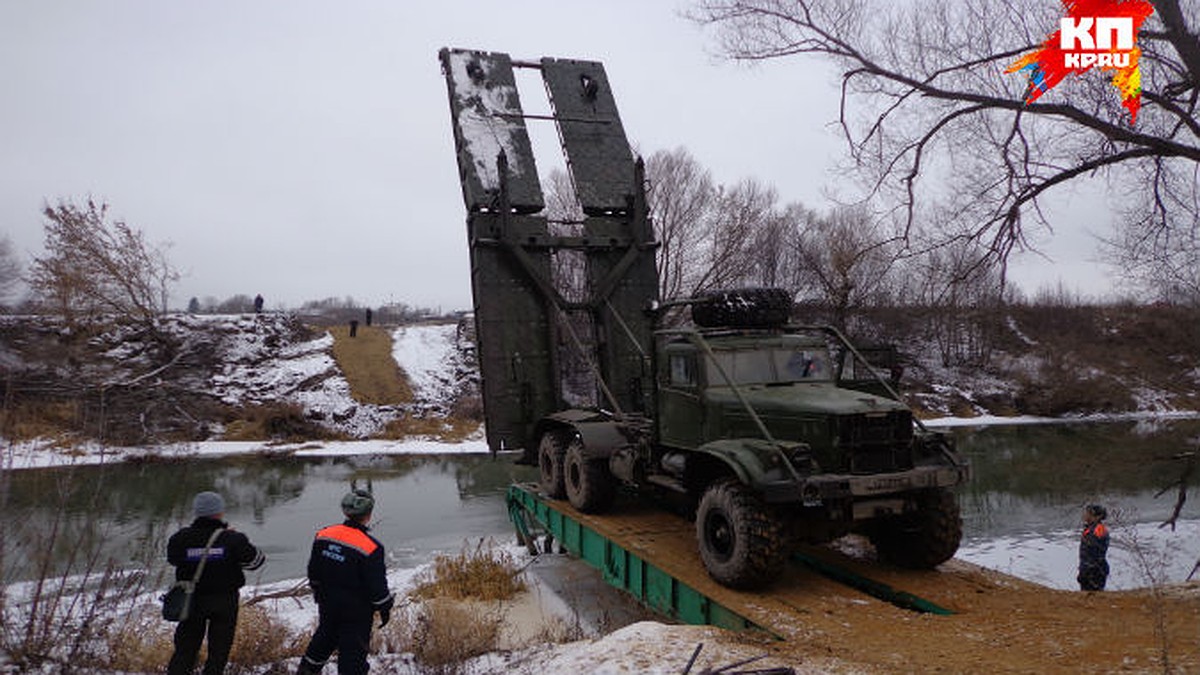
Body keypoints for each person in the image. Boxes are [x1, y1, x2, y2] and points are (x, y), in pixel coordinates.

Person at [166, 491, 266, 675]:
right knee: (219, 652)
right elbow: (256, 561)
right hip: (224, 601)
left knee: (185, 649)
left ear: (196, 512)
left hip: (191, 600)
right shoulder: (232, 539)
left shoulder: (180, 538)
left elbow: (173, 559)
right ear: (220, 513)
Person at [297, 489, 394, 674]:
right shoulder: (371, 547)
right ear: (368, 515)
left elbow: (313, 571)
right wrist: (385, 606)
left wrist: (318, 592)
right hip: (356, 612)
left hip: (328, 603)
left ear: (345, 512)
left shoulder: (324, 534)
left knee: (322, 641)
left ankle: (306, 670)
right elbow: (377, 587)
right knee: (353, 657)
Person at [1077, 503, 1110, 591]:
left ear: (1096, 516)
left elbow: (1095, 552)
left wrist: (1087, 571)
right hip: (1089, 569)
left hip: (1095, 571)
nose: (1085, 515)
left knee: (1095, 597)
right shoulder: (1090, 528)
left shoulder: (1098, 530)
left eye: (1088, 513)